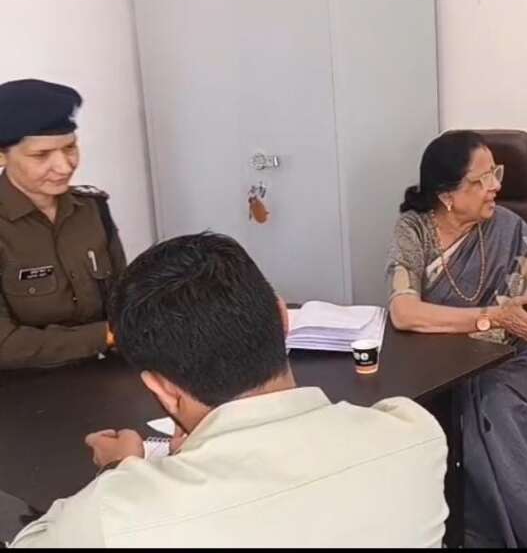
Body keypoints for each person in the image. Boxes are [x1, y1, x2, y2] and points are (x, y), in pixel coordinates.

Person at [9, 232, 449, 547]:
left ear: (161, 388)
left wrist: (120, 471)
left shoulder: (114, 518)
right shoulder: (413, 435)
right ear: (283, 318)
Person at [386, 130, 527, 547]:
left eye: (497, 172)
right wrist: (490, 316)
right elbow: (404, 312)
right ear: (447, 195)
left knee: (498, 414)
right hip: (434, 366)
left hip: (504, 361)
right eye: (482, 179)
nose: (495, 185)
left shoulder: (508, 226)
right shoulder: (414, 231)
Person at [0, 79, 126, 369]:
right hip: (24, 386)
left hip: (108, 372)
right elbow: (4, 345)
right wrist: (107, 336)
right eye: (41, 155)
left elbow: (125, 297)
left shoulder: (92, 208)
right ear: (2, 155)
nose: (64, 166)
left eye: (70, 147)